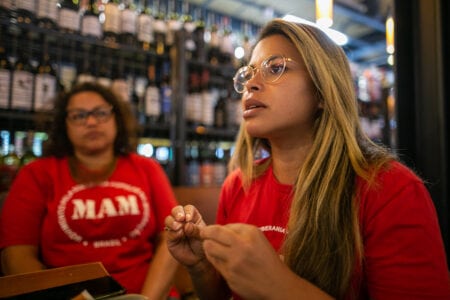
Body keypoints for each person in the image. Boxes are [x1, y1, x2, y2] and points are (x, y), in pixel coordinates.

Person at [164, 18, 450, 300]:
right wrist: (201, 266)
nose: (251, 84)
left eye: (275, 68)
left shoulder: (389, 189)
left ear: (323, 91)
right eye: (248, 74)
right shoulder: (238, 185)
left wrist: (279, 286)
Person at [0, 82, 179, 299]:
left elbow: (172, 238)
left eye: (101, 113)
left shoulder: (146, 168)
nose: (91, 122)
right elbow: (16, 255)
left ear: (117, 119)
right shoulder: (36, 174)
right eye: (79, 116)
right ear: (64, 124)